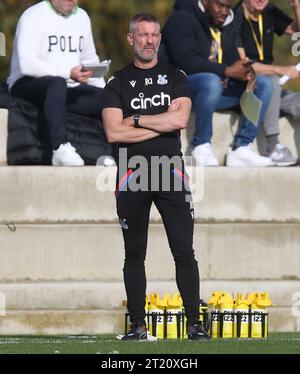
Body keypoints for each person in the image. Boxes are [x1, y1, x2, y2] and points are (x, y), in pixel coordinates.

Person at [102, 13, 210, 341]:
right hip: (131, 176)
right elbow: (111, 130)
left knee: (183, 251)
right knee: (134, 254)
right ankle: (138, 326)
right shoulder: (116, 83)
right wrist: (156, 120)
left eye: (154, 35)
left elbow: (179, 121)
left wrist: (134, 120)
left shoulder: (176, 76)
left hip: (170, 173)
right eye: (143, 34)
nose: (149, 40)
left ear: (159, 39)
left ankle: (194, 324)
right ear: (130, 39)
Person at [162, 0, 274, 167]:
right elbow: (186, 62)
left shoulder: (225, 23)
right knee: (210, 80)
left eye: (228, 7)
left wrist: (244, 72)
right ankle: (200, 145)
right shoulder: (181, 18)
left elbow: (230, 59)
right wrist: (226, 70)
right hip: (179, 90)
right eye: (220, 5)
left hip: (214, 90)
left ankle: (241, 148)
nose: (224, 11)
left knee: (264, 84)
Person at [7, 0, 113, 166]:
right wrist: (67, 73)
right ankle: (59, 148)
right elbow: (27, 65)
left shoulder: (82, 17)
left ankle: (110, 151)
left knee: (111, 99)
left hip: (67, 87)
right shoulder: (32, 16)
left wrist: (104, 93)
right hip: (27, 84)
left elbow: (89, 59)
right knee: (56, 84)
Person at [235, 0, 300, 166]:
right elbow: (243, 65)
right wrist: (280, 70)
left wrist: (296, 7)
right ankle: (273, 146)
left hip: (271, 84)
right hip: (246, 83)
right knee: (272, 82)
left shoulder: (269, 11)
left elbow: (296, 30)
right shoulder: (235, 17)